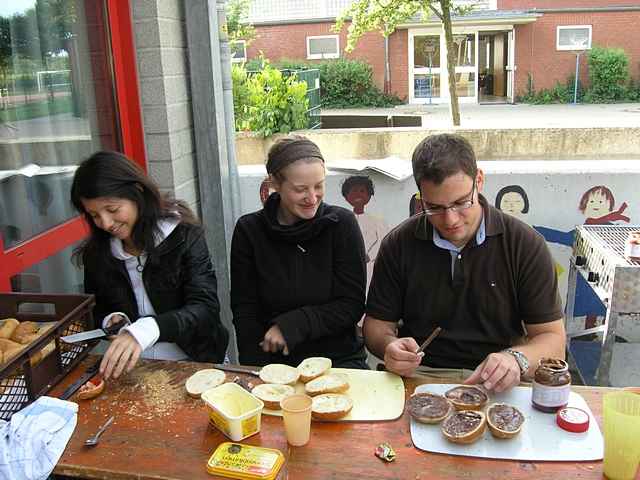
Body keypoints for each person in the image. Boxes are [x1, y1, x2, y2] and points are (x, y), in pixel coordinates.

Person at [364, 134, 565, 392]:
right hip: (422, 375)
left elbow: (553, 340)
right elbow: (376, 327)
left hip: (500, 380)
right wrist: (389, 347)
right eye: (434, 207)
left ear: (478, 180)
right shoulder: (399, 243)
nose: (450, 220)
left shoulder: (524, 244)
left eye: (461, 203)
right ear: (420, 196)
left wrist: (516, 359)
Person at [71, 151, 229, 379]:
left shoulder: (183, 235)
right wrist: (111, 320)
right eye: (94, 215)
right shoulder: (98, 253)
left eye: (113, 210)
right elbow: (96, 308)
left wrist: (147, 328)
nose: (105, 223)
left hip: (197, 360)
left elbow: (205, 308)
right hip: (137, 368)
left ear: (138, 192)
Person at [231, 135, 369, 368]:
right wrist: (253, 369)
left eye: (319, 186)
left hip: (338, 359)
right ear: (274, 183)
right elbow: (245, 310)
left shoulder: (342, 224)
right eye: (300, 189)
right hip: (275, 363)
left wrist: (291, 326)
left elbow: (351, 304)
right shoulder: (249, 231)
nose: (312, 197)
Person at [341, 175, 388, 289]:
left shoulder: (377, 221)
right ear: (346, 195)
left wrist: (369, 256)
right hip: (348, 266)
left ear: (369, 195)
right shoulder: (341, 220)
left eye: (362, 191)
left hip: (371, 267)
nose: (358, 194)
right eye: (353, 191)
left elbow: (384, 241)